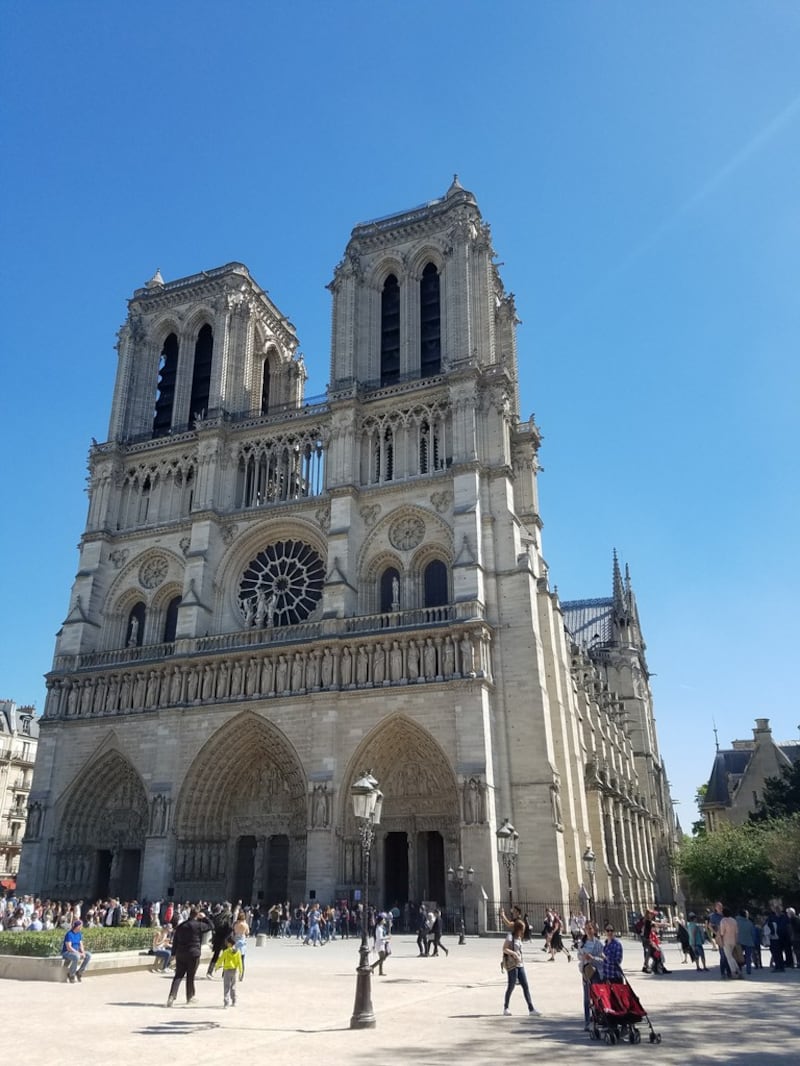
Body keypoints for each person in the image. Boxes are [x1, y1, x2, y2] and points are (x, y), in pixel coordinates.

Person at [167, 906, 213, 1007]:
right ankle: (190, 996)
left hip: (181, 953)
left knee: (178, 975)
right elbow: (211, 926)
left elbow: (175, 941)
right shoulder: (199, 925)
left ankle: (172, 996)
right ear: (197, 915)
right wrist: (205, 918)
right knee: (190, 976)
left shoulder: (181, 926)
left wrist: (173, 954)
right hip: (193, 953)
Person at [502, 919, 541, 1016]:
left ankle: (531, 1009)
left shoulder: (519, 938)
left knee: (525, 986)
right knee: (511, 986)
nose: (523, 931)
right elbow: (504, 948)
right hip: (512, 964)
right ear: (518, 929)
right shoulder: (510, 937)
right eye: (522, 929)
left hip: (520, 964)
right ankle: (506, 1007)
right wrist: (514, 953)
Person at [578, 920, 605, 1031]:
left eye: (590, 928)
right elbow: (579, 956)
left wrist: (593, 958)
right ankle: (587, 1022)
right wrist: (584, 957)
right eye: (586, 928)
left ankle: (598, 1018)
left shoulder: (598, 944)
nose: (588, 931)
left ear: (594, 930)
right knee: (586, 998)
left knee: (597, 997)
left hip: (596, 972)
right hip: (586, 972)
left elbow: (603, 959)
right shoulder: (582, 943)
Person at [214, 933, 243, 1007]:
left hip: (227, 970)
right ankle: (234, 1001)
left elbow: (220, 960)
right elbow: (240, 962)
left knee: (226, 986)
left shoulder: (226, 952)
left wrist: (217, 967)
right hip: (234, 970)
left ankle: (226, 1003)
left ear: (230, 943)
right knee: (233, 986)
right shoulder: (238, 952)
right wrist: (240, 971)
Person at [61, 918, 91, 983]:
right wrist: (78, 953)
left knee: (88, 955)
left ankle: (80, 972)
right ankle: (71, 974)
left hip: (76, 952)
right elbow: (69, 947)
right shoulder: (69, 934)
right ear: (77, 927)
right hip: (67, 952)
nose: (82, 927)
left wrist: (82, 952)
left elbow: (81, 944)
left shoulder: (79, 934)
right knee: (76, 956)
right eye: (81, 926)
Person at [206, 905, 232, 978]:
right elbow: (230, 928)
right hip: (225, 939)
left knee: (215, 955)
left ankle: (209, 972)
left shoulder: (218, 916)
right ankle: (225, 973)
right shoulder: (229, 916)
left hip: (218, 938)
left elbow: (214, 926)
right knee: (226, 956)